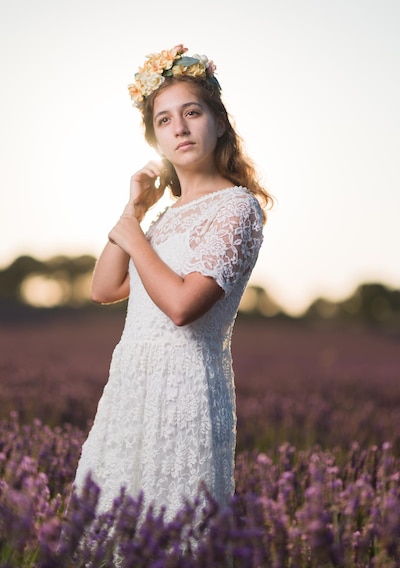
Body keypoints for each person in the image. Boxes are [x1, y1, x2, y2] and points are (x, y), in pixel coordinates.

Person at [72, 44, 273, 520]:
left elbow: (182, 307)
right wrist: (135, 212)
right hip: (131, 383)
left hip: (183, 389)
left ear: (218, 122)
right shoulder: (162, 217)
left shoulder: (238, 208)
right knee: (109, 527)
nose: (179, 127)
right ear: (155, 140)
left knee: (173, 531)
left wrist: (135, 241)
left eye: (191, 112)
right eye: (164, 120)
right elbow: (104, 289)